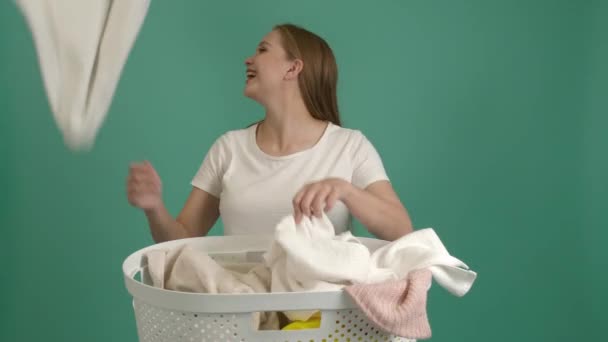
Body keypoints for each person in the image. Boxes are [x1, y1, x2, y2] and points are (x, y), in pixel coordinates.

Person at [126, 23, 413, 243]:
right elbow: (182, 240)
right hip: (239, 314)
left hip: (321, 317)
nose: (248, 60)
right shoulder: (229, 148)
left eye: (262, 50)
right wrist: (154, 209)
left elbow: (402, 230)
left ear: (293, 68)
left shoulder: (350, 146)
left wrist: (346, 190)